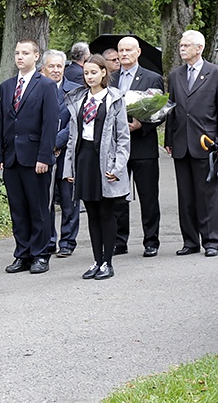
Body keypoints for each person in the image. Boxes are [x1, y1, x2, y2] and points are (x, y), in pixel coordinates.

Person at [0, 39, 59, 274]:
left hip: (35, 157)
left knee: (38, 208)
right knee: (18, 208)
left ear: (36, 56)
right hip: (12, 156)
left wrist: (45, 156)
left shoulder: (46, 86)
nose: (20, 57)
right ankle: (22, 253)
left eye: (25, 53)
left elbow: (50, 123)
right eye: (17, 53)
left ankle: (40, 254)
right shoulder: (7, 86)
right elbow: (2, 121)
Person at [63, 54, 130, 280]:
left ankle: (108, 263)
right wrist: (69, 168)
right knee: (91, 212)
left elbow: (123, 137)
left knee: (106, 212)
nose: (89, 77)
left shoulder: (114, 99)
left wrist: (117, 166)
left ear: (104, 72)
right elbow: (72, 137)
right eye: (86, 73)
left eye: (94, 72)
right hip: (84, 159)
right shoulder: (78, 99)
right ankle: (96, 261)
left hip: (106, 161)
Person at [164, 30, 218, 257]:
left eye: (187, 45)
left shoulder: (216, 74)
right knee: (185, 195)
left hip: (205, 141)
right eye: (181, 45)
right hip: (181, 142)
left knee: (207, 194)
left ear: (199, 48)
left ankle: (211, 240)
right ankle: (190, 241)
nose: (182, 48)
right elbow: (172, 109)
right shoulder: (175, 75)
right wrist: (169, 139)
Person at [111, 36, 163, 257]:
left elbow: (160, 111)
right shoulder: (110, 78)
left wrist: (142, 124)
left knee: (148, 197)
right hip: (117, 148)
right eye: (121, 50)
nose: (124, 54)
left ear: (138, 52)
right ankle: (119, 241)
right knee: (118, 197)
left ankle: (151, 241)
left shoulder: (152, 78)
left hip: (143, 145)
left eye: (128, 50)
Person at [39, 49, 81, 257]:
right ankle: (48, 240)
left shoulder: (75, 91)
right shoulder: (36, 89)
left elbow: (76, 121)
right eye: (52, 66)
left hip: (68, 151)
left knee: (69, 198)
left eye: (59, 66)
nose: (56, 70)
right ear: (43, 68)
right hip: (42, 152)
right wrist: (46, 145)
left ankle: (67, 241)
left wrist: (57, 142)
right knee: (44, 199)